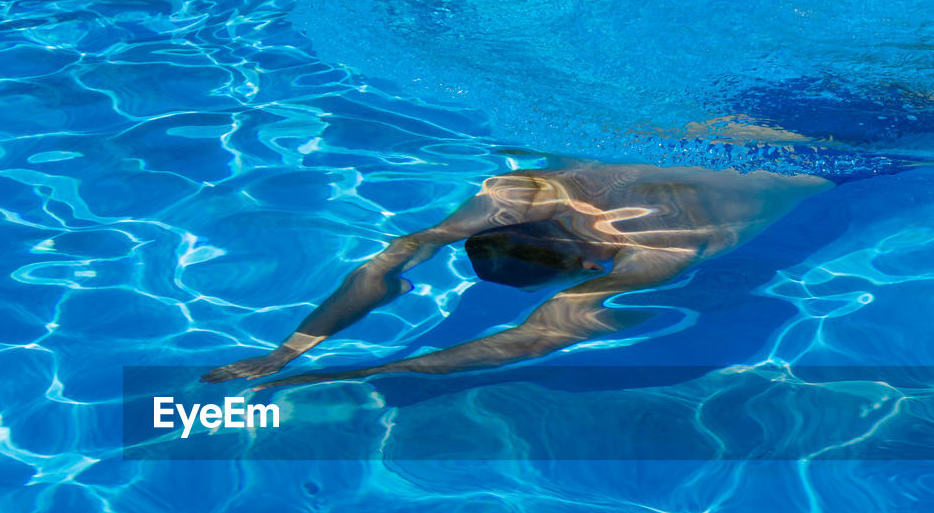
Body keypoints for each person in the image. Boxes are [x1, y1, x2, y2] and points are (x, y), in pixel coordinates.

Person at [200, 163, 833, 389]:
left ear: (586, 266)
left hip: (830, 152)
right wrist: (287, 348)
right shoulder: (532, 189)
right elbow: (400, 251)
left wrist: (350, 371)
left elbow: (534, 337)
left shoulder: (660, 252)